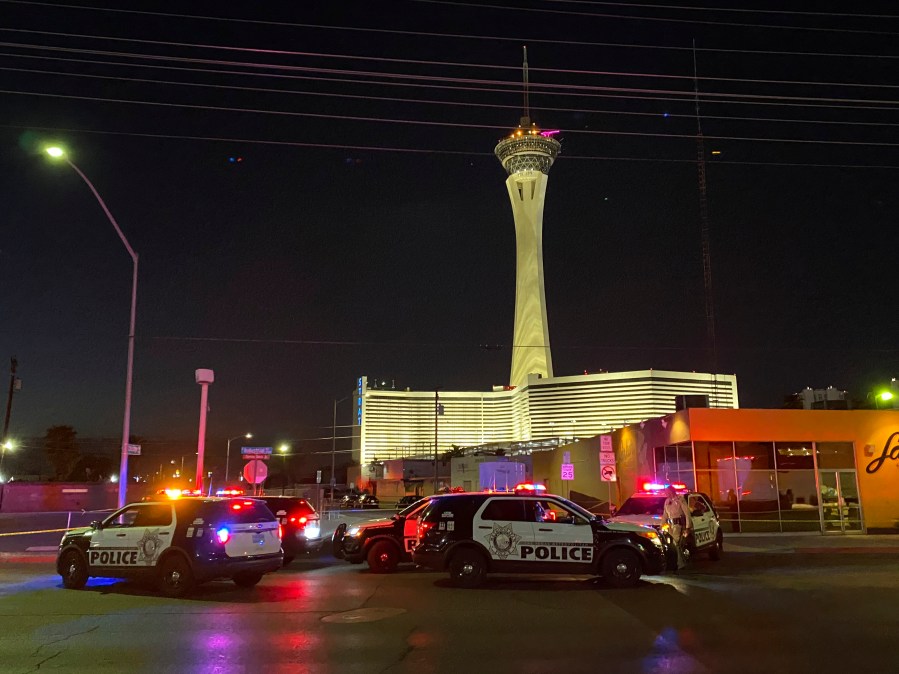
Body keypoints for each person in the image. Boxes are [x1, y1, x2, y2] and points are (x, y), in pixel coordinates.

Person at [663, 485, 692, 570]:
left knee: (676, 543)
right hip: (670, 526)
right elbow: (665, 515)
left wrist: (687, 527)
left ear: (671, 491)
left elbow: (687, 513)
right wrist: (662, 525)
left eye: (667, 491)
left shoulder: (680, 499)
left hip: (678, 525)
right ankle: (675, 562)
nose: (666, 493)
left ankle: (680, 564)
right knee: (671, 545)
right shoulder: (667, 501)